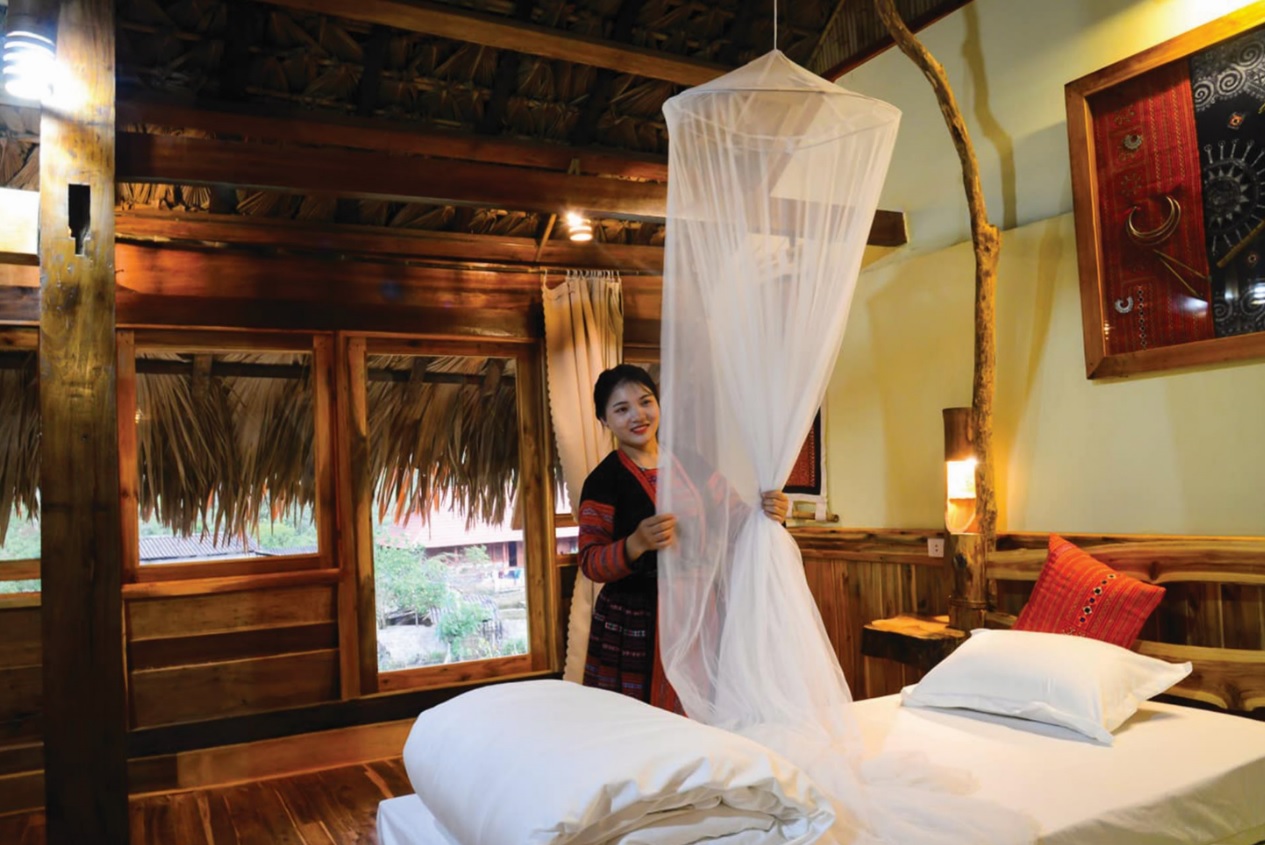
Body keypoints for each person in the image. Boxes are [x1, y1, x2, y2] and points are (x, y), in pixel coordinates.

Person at [577, 364, 788, 712]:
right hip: (635, 623)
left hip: (701, 614)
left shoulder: (693, 464)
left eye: (645, 402)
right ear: (604, 420)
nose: (638, 415)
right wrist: (634, 544)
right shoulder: (603, 481)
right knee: (641, 721)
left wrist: (768, 513)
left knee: (704, 711)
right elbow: (590, 562)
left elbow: (735, 520)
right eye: (622, 409)